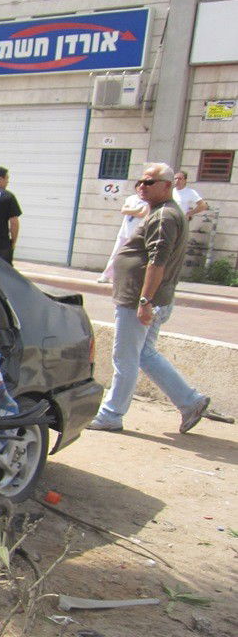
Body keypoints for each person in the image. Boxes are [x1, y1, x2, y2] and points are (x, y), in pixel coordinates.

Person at [87, 163, 211, 435]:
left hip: (139, 301)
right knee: (144, 354)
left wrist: (144, 302)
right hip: (147, 299)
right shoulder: (160, 212)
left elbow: (158, 261)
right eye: (140, 182)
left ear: (167, 186)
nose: (142, 186)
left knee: (125, 358)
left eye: (149, 182)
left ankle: (111, 414)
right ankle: (190, 401)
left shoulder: (164, 216)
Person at [97, 193, 149, 283]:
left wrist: (131, 210)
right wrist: (137, 209)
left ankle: (127, 278)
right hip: (124, 232)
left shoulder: (148, 200)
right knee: (116, 254)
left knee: (135, 258)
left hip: (138, 234)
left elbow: (142, 214)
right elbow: (124, 210)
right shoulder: (131, 198)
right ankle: (106, 275)